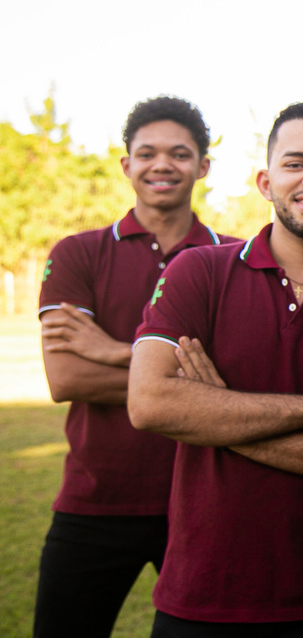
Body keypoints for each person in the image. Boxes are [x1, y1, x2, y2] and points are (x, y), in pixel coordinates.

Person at [127, 100, 303, 636]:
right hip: (200, 599)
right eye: (296, 163)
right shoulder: (199, 271)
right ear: (265, 181)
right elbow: (150, 403)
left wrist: (216, 414)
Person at [34, 96, 234, 638]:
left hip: (205, 502)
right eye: (147, 153)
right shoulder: (77, 253)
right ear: (127, 165)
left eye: (179, 154)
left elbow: (239, 378)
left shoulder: (233, 259)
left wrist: (115, 351)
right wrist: (179, 374)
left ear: (203, 166)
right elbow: (67, 378)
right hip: (96, 499)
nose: (161, 165)